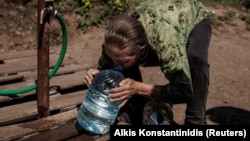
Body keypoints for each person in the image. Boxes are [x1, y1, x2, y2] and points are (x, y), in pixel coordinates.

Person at [83, 0, 212, 125]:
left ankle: (195, 122)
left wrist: (137, 88)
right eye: (112, 58)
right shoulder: (115, 39)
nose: (115, 64)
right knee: (123, 65)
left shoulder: (165, 43)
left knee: (196, 60)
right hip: (158, 10)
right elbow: (105, 65)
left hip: (189, 13)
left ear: (142, 47)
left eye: (122, 61)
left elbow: (184, 91)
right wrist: (97, 73)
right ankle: (137, 111)